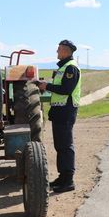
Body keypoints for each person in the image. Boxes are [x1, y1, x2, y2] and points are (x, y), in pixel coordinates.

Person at [37, 40, 81, 193]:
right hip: (60, 111)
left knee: (65, 146)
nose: (57, 52)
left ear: (66, 51)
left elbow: (66, 89)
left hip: (66, 111)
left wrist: (46, 86)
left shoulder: (71, 68)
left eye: (59, 49)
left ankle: (68, 180)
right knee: (60, 146)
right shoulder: (63, 67)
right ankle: (62, 178)